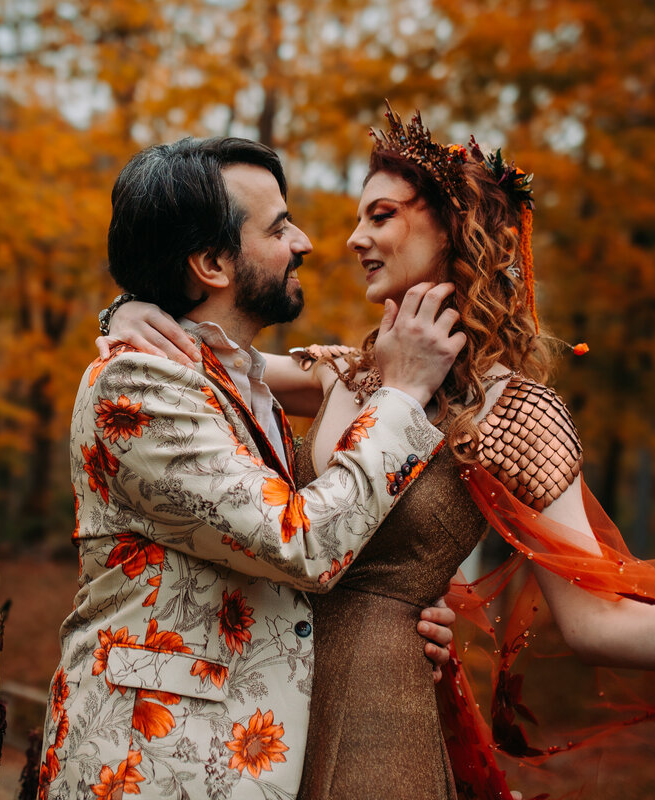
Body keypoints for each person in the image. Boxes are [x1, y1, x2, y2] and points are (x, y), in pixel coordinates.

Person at [102, 106, 655, 799]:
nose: (352, 239)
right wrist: (131, 304)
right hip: (255, 712)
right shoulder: (347, 371)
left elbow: (601, 625)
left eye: (382, 215)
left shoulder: (514, 413)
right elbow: (198, 363)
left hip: (374, 708)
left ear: (456, 230)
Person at [40, 136, 470, 800]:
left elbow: (337, 382)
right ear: (212, 263)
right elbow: (300, 543)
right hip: (149, 771)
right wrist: (403, 394)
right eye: (277, 227)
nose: (304, 241)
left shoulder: (229, 374)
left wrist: (397, 604)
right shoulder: (138, 387)